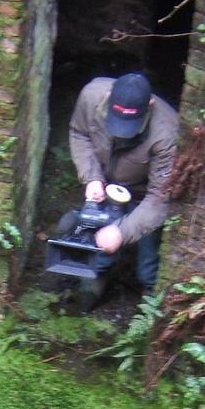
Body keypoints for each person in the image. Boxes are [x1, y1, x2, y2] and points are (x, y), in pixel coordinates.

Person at [65, 71, 180, 305]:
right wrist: (92, 178)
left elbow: (159, 197)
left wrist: (121, 232)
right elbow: (79, 133)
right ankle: (93, 285)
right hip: (106, 185)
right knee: (97, 248)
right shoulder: (91, 97)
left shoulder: (166, 133)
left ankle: (149, 305)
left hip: (144, 194)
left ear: (150, 105)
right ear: (109, 98)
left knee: (148, 265)